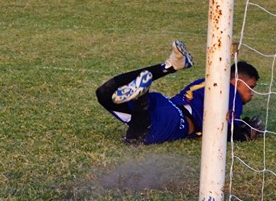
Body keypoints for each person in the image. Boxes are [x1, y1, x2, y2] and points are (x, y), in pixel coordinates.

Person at [95, 40, 262, 145]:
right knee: (137, 139)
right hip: (175, 121)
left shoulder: (205, 82)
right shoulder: (231, 94)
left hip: (163, 105)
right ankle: (141, 96)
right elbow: (226, 131)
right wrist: (246, 133)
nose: (252, 94)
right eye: (251, 87)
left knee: (104, 94)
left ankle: (168, 67)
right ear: (237, 81)